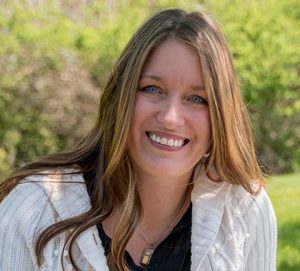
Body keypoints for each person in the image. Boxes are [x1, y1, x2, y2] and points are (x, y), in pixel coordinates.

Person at [0, 8, 277, 271]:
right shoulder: (33, 208)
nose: (170, 117)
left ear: (221, 114)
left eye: (196, 98)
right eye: (152, 89)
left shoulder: (244, 209)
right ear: (120, 97)